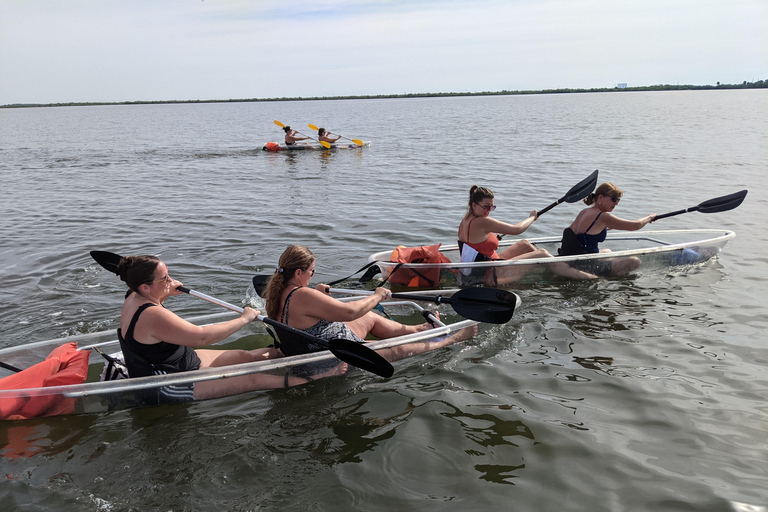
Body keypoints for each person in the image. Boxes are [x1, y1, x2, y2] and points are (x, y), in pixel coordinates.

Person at [116, 255, 344, 404]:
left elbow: (156, 299)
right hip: (167, 383)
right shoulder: (151, 314)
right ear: (145, 287)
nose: (172, 281)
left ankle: (289, 357)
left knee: (248, 356)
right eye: (165, 279)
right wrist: (244, 319)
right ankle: (318, 376)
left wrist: (165, 291)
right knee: (253, 379)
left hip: (176, 361)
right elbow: (202, 336)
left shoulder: (133, 295)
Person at [263, 245, 477, 367]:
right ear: (298, 273)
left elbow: (305, 314)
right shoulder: (302, 295)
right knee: (396, 350)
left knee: (369, 318)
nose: (312, 276)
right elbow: (349, 312)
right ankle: (453, 338)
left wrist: (317, 294)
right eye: (311, 272)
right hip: (332, 354)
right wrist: (377, 295)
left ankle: (420, 330)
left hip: (319, 339)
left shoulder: (279, 293)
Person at [458, 185, 596, 285]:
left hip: (487, 267)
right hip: (489, 275)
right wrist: (532, 217)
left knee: (524, 244)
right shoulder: (481, 221)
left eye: (492, 207)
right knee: (542, 253)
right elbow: (517, 229)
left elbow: (478, 244)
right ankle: (587, 277)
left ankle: (558, 268)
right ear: (474, 205)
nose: (489, 211)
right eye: (486, 207)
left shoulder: (465, 221)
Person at [559, 182, 657, 276]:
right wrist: (649, 217)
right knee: (634, 261)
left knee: (607, 251)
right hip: (586, 265)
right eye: (614, 199)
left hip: (577, 258)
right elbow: (636, 225)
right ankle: (613, 278)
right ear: (601, 198)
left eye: (618, 200)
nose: (616, 203)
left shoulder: (584, 212)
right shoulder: (603, 217)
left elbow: (579, 234)